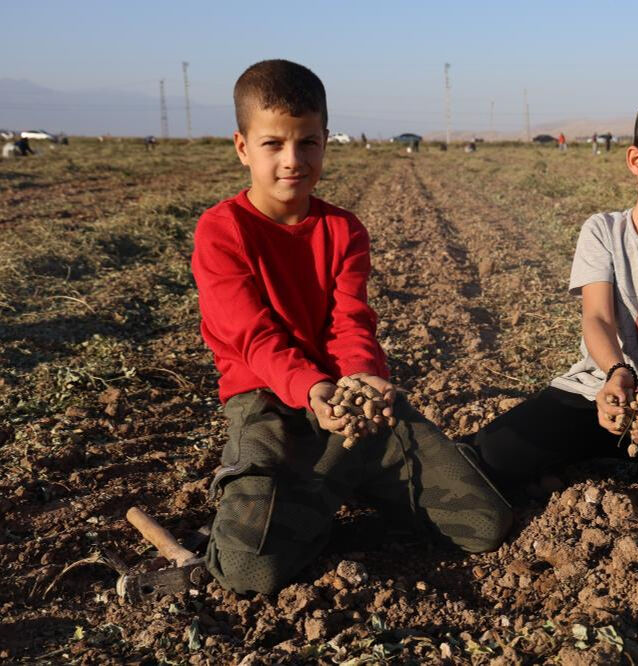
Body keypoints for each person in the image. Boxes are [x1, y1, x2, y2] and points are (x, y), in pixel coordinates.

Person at [191, 59, 511, 595]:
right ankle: (313, 485)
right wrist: (312, 389)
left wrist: (362, 376)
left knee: (483, 526)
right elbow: (253, 336)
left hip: (346, 398)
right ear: (242, 146)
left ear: (324, 141)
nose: (293, 161)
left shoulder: (343, 229)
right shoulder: (222, 231)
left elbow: (350, 317)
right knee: (248, 573)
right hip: (267, 398)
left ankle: (333, 477)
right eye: (273, 144)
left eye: (309, 143)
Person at [474, 90, 638, 520]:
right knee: (493, 453)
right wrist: (616, 372)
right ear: (636, 161)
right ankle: (600, 453)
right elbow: (595, 317)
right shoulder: (602, 231)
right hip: (600, 386)